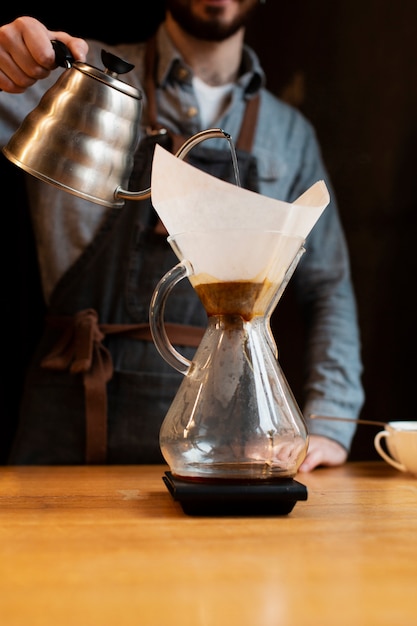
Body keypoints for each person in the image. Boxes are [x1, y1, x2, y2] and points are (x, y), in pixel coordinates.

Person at [0, 0, 364, 471]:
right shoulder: (75, 73)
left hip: (226, 439)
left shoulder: (290, 134)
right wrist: (7, 59)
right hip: (70, 408)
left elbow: (328, 284)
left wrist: (331, 425)